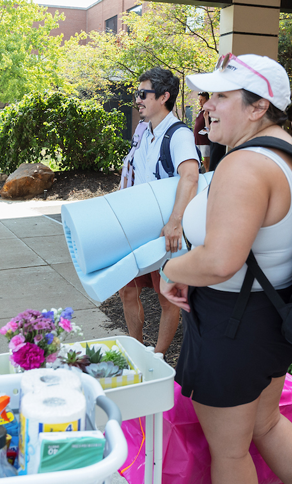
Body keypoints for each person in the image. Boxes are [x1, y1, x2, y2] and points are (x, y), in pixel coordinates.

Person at [164, 54, 292, 484]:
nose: (206, 106)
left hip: (232, 325)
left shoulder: (246, 166)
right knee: (267, 423)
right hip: (271, 316)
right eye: (207, 95)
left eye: (220, 96)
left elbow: (219, 262)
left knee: (231, 450)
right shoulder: (289, 153)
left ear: (258, 107)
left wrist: (170, 271)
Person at [119, 67, 200, 356]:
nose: (137, 100)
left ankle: (158, 356)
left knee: (168, 298)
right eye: (137, 94)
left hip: (166, 232)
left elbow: (190, 176)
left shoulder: (179, 135)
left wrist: (175, 223)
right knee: (127, 289)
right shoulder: (145, 132)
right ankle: (137, 349)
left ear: (164, 96)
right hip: (139, 228)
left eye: (143, 94)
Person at [194, 92, 212, 172]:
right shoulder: (200, 111)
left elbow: (209, 127)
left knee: (206, 162)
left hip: (204, 142)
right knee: (199, 161)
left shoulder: (208, 112)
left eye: (202, 100)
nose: (200, 102)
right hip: (197, 141)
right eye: (199, 100)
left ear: (207, 100)